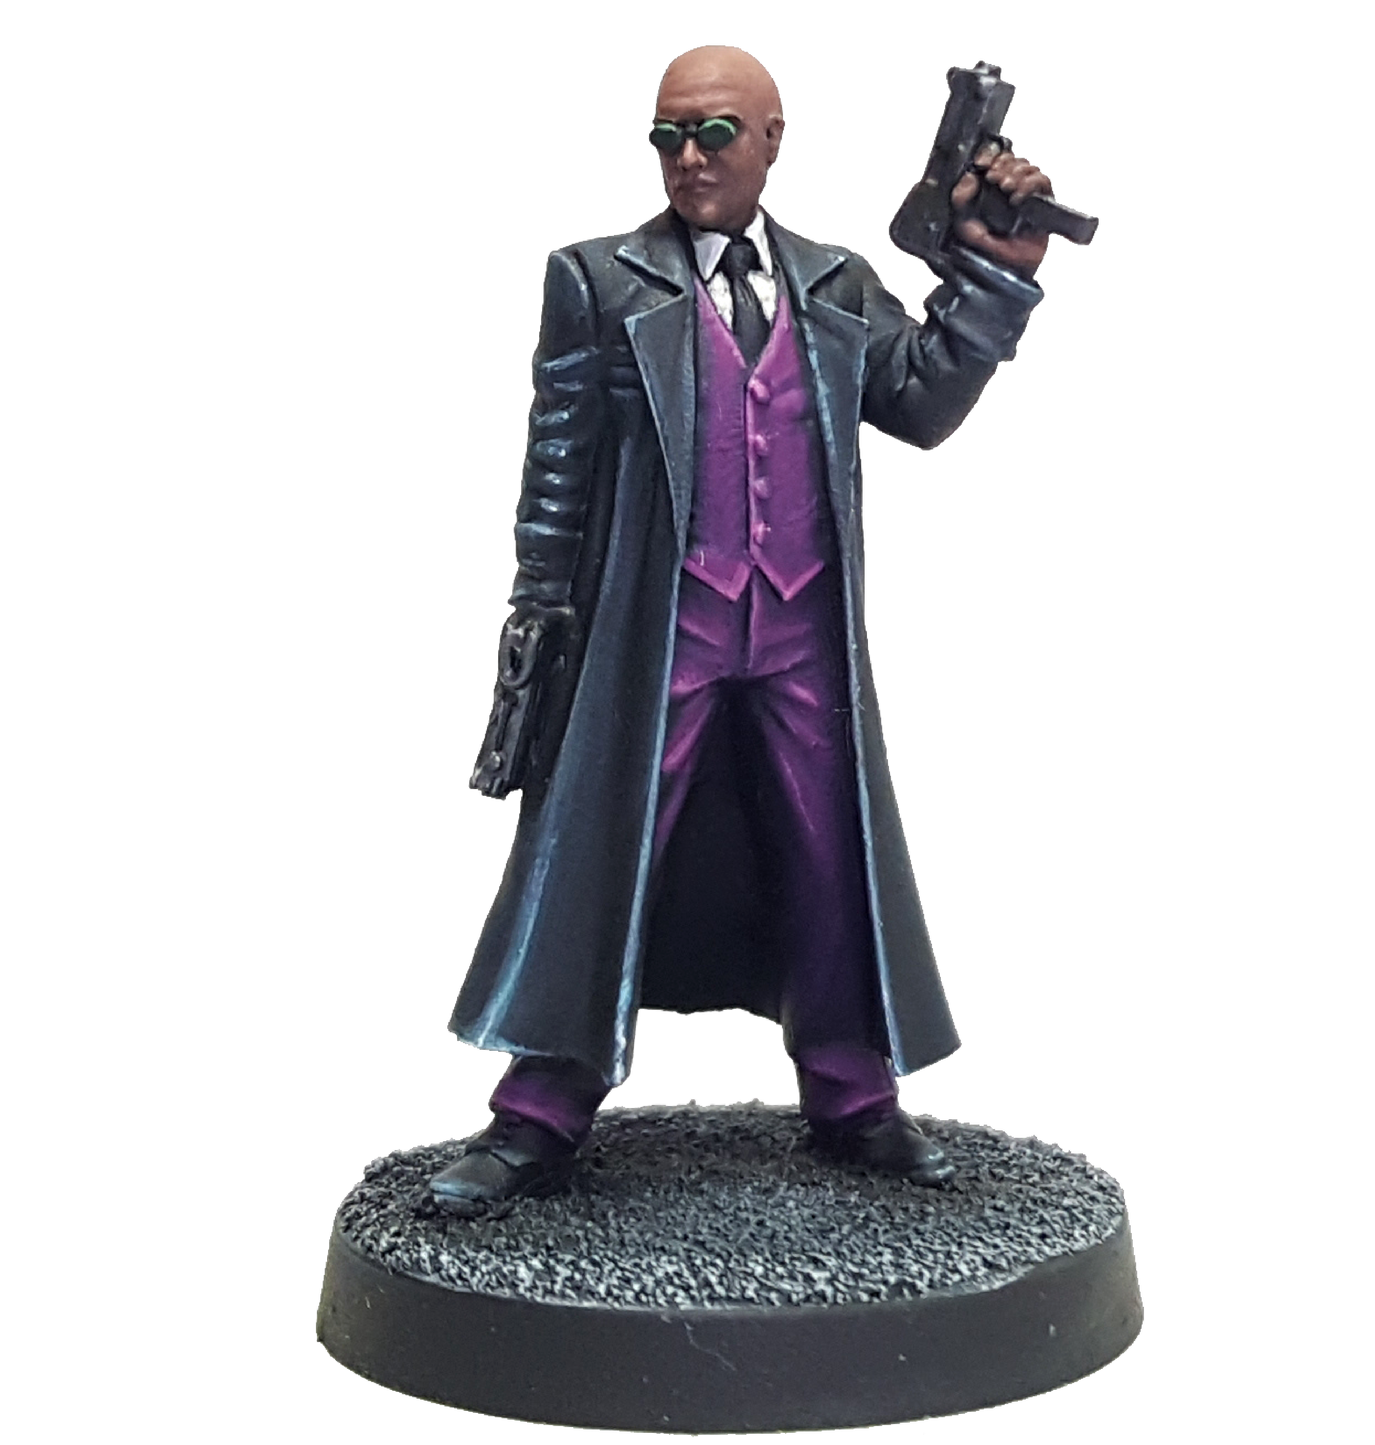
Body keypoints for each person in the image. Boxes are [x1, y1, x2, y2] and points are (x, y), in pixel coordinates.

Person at [432, 44, 1056, 1211]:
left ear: (771, 141)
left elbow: (919, 403)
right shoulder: (596, 275)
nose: (687, 156)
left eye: (714, 131)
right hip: (652, 629)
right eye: (666, 133)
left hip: (801, 631)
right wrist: (537, 621)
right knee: (598, 850)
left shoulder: (834, 281)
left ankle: (853, 1093)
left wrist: (993, 279)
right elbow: (555, 462)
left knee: (831, 855)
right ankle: (538, 1111)